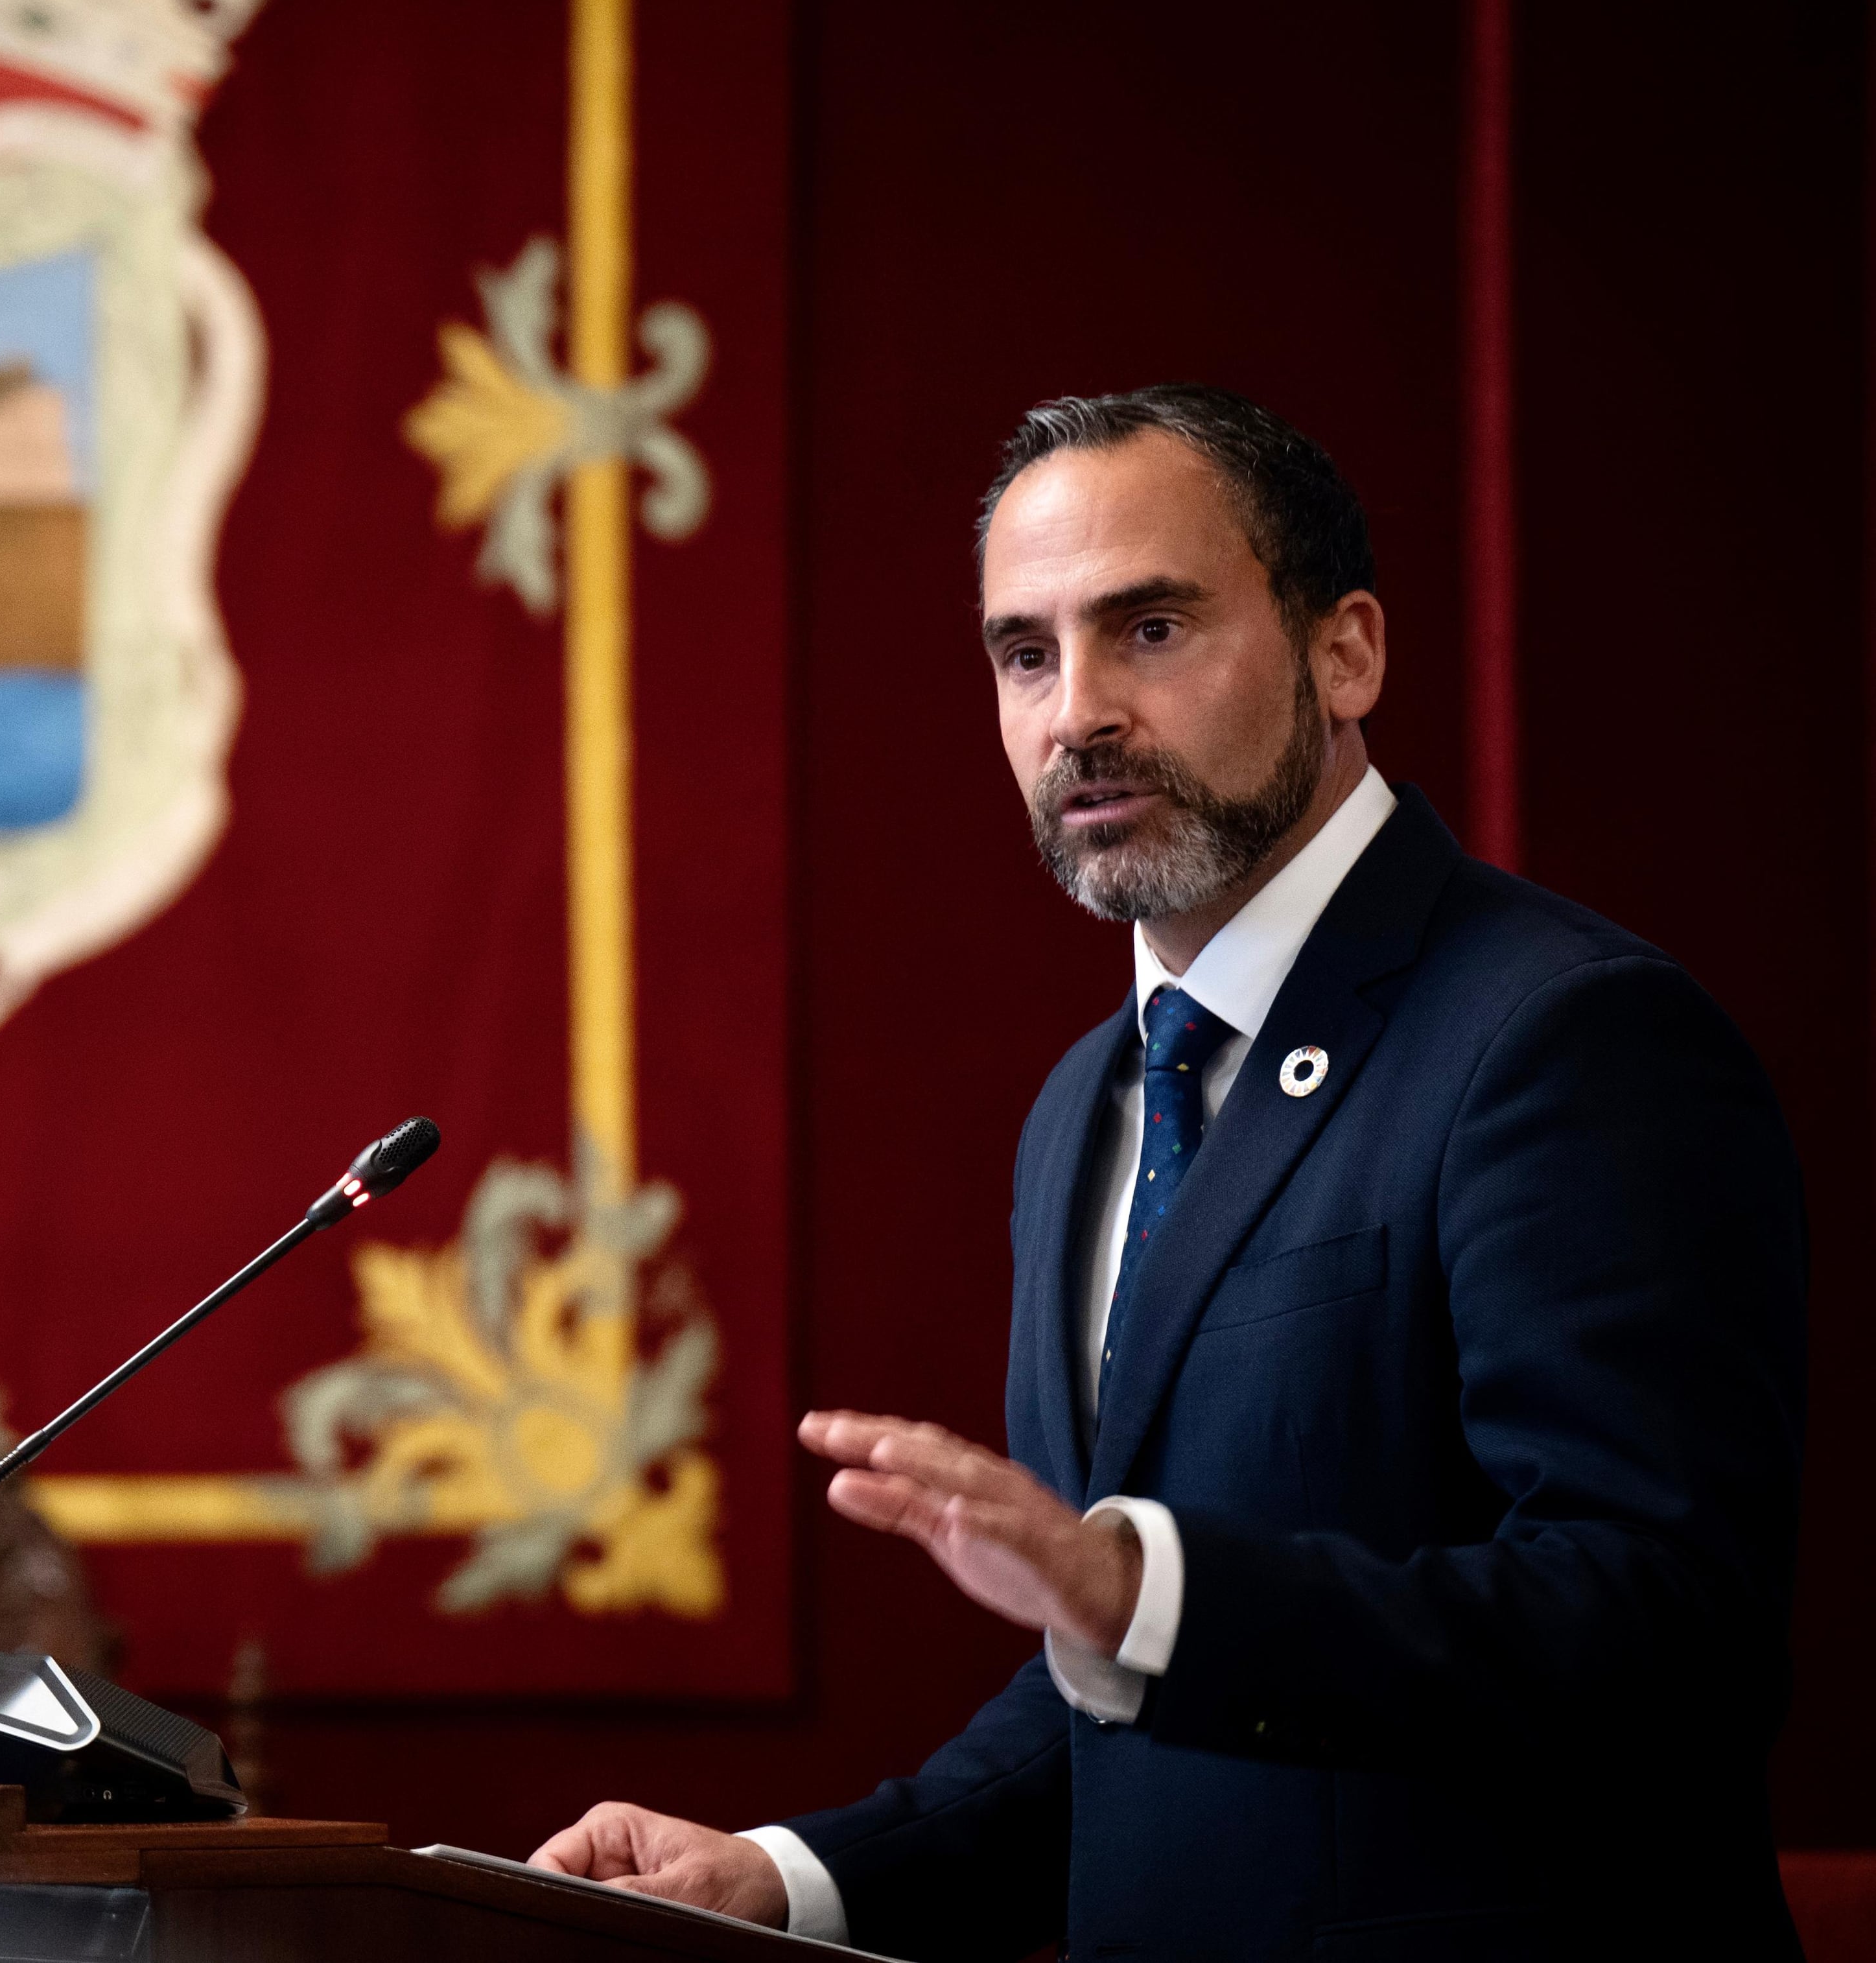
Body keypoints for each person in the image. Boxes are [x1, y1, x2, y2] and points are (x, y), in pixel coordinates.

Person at [532, 387, 1807, 1958]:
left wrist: (1142, 1589)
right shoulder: (1086, 1104)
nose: (1075, 713)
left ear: (1346, 654)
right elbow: (1122, 1671)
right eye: (1024, 653)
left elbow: (1668, 1631)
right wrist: (793, 1877)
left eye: (1147, 629)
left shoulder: (1564, 1038)